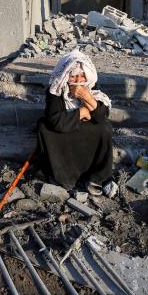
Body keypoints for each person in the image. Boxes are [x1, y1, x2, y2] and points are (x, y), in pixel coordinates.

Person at [37, 49, 113, 195]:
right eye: (74, 76)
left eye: (82, 75)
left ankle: (96, 178)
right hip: (64, 128)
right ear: (66, 75)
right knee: (44, 128)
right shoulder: (56, 89)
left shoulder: (90, 87)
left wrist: (87, 97)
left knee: (105, 128)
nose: (78, 81)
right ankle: (64, 178)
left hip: (78, 125)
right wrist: (82, 112)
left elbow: (102, 116)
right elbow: (56, 120)